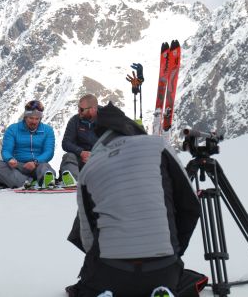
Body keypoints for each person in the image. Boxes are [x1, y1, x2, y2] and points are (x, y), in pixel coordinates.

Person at [67, 102, 201, 297]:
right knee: (179, 279)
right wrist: (173, 251)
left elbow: (86, 234)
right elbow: (190, 207)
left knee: (86, 286)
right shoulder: (158, 146)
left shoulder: (89, 167)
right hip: (164, 270)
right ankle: (160, 291)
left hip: (110, 271)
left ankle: (105, 291)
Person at [0, 100, 56, 188]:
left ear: (40, 119)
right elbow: (6, 150)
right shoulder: (13, 129)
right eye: (31, 118)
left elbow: (49, 152)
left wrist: (35, 162)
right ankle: (26, 182)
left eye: (37, 119)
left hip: (38, 164)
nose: (34, 121)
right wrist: (9, 159)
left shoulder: (47, 130)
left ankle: (46, 180)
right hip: (18, 165)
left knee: (45, 167)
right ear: (25, 117)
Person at [59, 94, 99, 187]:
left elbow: (113, 143)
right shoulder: (75, 120)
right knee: (68, 156)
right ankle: (72, 182)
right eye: (78, 108)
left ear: (93, 109)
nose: (78, 111)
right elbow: (66, 143)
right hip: (80, 159)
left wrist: (94, 156)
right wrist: (81, 152)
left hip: (99, 159)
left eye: (82, 109)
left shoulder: (107, 119)